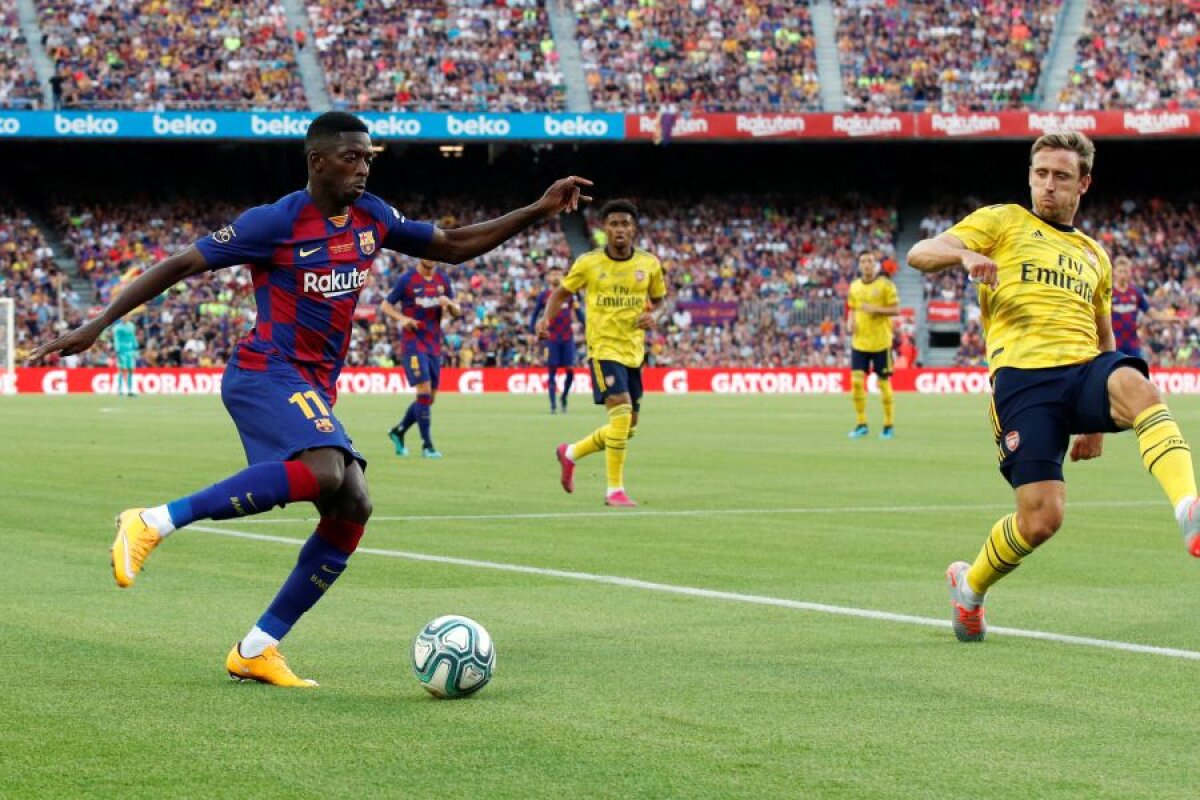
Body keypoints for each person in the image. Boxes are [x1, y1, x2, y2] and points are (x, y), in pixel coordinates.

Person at [27, 111, 592, 685]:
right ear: (317, 161)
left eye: (369, 157)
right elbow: (182, 264)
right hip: (264, 370)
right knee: (325, 471)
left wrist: (539, 210)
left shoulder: (372, 216)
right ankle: (150, 520)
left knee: (353, 505)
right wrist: (98, 323)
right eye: (352, 157)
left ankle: (256, 648)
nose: (364, 167)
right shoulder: (277, 221)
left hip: (313, 385)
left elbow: (451, 244)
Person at [907, 131, 1198, 643]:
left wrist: (1100, 425)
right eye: (1040, 174)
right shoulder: (1002, 222)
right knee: (1042, 519)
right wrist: (962, 257)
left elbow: (1104, 332)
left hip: (1084, 369)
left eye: (1060, 176)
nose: (1047, 185)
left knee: (1142, 387)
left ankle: (1188, 508)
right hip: (1023, 382)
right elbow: (920, 252)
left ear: (1083, 183)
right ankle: (969, 588)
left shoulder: (1094, 255)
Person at [540, 199, 666, 507]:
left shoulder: (649, 264)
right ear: (603, 229)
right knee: (621, 413)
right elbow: (561, 292)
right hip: (603, 348)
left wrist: (656, 317)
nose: (620, 229)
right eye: (614, 224)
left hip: (634, 351)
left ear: (633, 229)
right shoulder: (588, 262)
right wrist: (546, 319)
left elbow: (660, 300)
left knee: (628, 426)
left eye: (625, 223)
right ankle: (614, 490)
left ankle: (570, 453)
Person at [381, 258, 462, 458]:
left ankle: (398, 431)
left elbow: (457, 312)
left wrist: (449, 303)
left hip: (434, 344)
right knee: (423, 390)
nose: (431, 258)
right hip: (412, 344)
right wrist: (403, 319)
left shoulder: (442, 279)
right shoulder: (407, 279)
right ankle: (427, 446)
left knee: (428, 399)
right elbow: (385, 305)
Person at [845, 251, 900, 439]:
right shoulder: (854, 287)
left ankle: (888, 425)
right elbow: (852, 309)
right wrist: (849, 322)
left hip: (881, 343)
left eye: (869, 261)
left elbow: (896, 309)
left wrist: (875, 309)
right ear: (859, 265)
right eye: (862, 261)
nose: (866, 264)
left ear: (875, 264)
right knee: (856, 382)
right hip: (859, 342)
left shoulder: (886, 285)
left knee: (883, 384)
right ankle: (861, 423)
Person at [528, 265, 585, 414]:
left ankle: (564, 397)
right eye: (552, 274)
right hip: (551, 339)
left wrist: (588, 327)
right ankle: (553, 406)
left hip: (567, 338)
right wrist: (531, 331)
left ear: (563, 276)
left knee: (570, 371)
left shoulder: (570, 294)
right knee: (552, 371)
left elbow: (579, 313)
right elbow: (535, 314)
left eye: (558, 273)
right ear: (548, 277)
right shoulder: (544, 296)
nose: (555, 276)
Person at [1110, 255, 1152, 360]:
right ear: (1114, 272)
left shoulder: (1136, 293)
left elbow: (1151, 313)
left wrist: (1172, 319)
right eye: (1120, 271)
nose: (1123, 274)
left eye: (1125, 271)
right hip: (1114, 344)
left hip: (1132, 345)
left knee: (1138, 372)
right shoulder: (1108, 293)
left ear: (1130, 273)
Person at [110, 316, 139, 396]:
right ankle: (120, 390)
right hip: (122, 351)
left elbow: (133, 336)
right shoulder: (117, 328)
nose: (124, 318)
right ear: (120, 318)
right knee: (122, 370)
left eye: (126, 316)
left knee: (131, 370)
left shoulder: (131, 325)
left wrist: (135, 346)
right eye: (123, 316)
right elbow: (116, 339)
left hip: (130, 351)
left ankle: (130, 390)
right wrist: (117, 350)